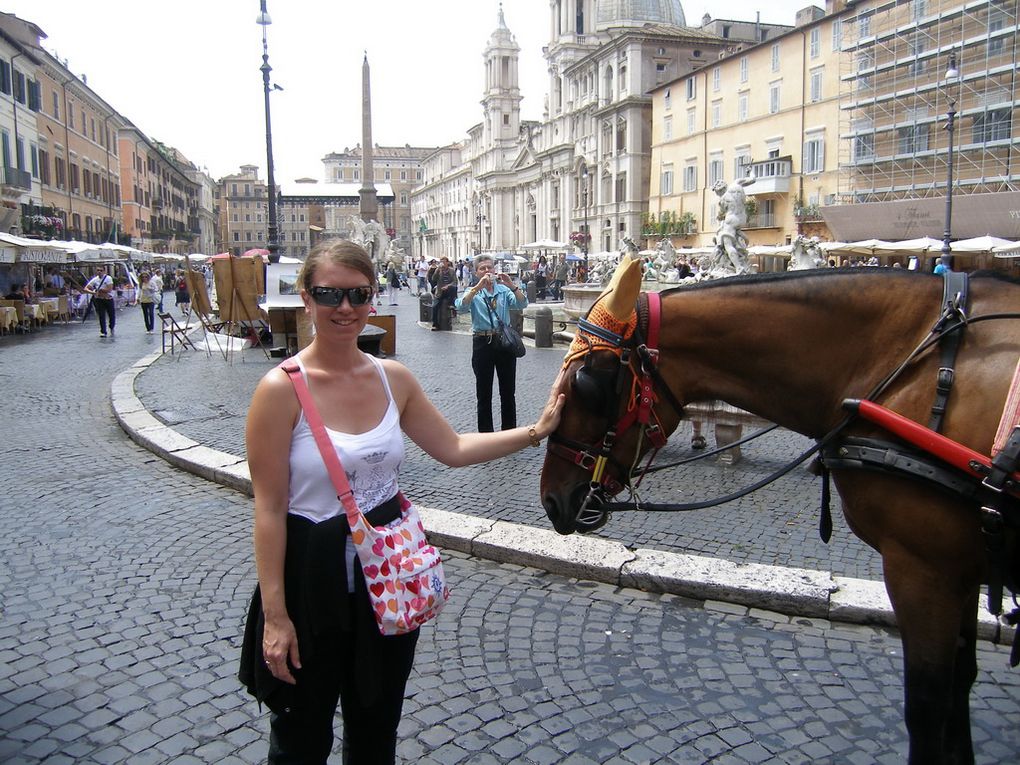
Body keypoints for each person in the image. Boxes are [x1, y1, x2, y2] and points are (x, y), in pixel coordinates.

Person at [239, 240, 564, 764]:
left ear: (373, 299)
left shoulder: (394, 379)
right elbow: (269, 509)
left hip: (385, 583)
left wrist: (534, 432)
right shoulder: (279, 390)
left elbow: (453, 448)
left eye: (357, 295)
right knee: (301, 733)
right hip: (309, 580)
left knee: (376, 726)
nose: (344, 308)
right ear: (306, 299)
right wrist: (276, 616)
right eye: (329, 295)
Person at [454, 254, 529, 432]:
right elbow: (461, 307)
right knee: (484, 392)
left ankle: (509, 430)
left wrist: (512, 285)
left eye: (490, 267)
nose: (487, 271)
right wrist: (476, 288)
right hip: (482, 342)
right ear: (476, 272)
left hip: (504, 342)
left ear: (495, 269)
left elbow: (522, 304)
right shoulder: (473, 291)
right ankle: (486, 433)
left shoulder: (503, 290)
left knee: (508, 391)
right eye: (482, 268)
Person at [84, 266, 116, 337]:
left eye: (101, 270)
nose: (99, 272)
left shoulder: (108, 278)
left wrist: (99, 290)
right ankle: (103, 331)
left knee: (111, 315)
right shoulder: (95, 279)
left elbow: (109, 289)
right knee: (101, 316)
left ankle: (111, 327)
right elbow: (86, 288)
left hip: (108, 299)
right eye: (98, 270)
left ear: (104, 271)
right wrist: (92, 292)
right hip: (99, 299)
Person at [429, 256, 457, 331]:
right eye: (441, 262)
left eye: (444, 262)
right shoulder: (438, 270)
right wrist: (437, 270)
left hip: (449, 291)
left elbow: (455, 282)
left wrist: (448, 286)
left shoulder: (451, 271)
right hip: (440, 291)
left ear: (447, 262)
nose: (442, 263)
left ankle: (451, 304)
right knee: (435, 307)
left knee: (453, 288)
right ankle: (435, 324)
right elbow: (433, 279)